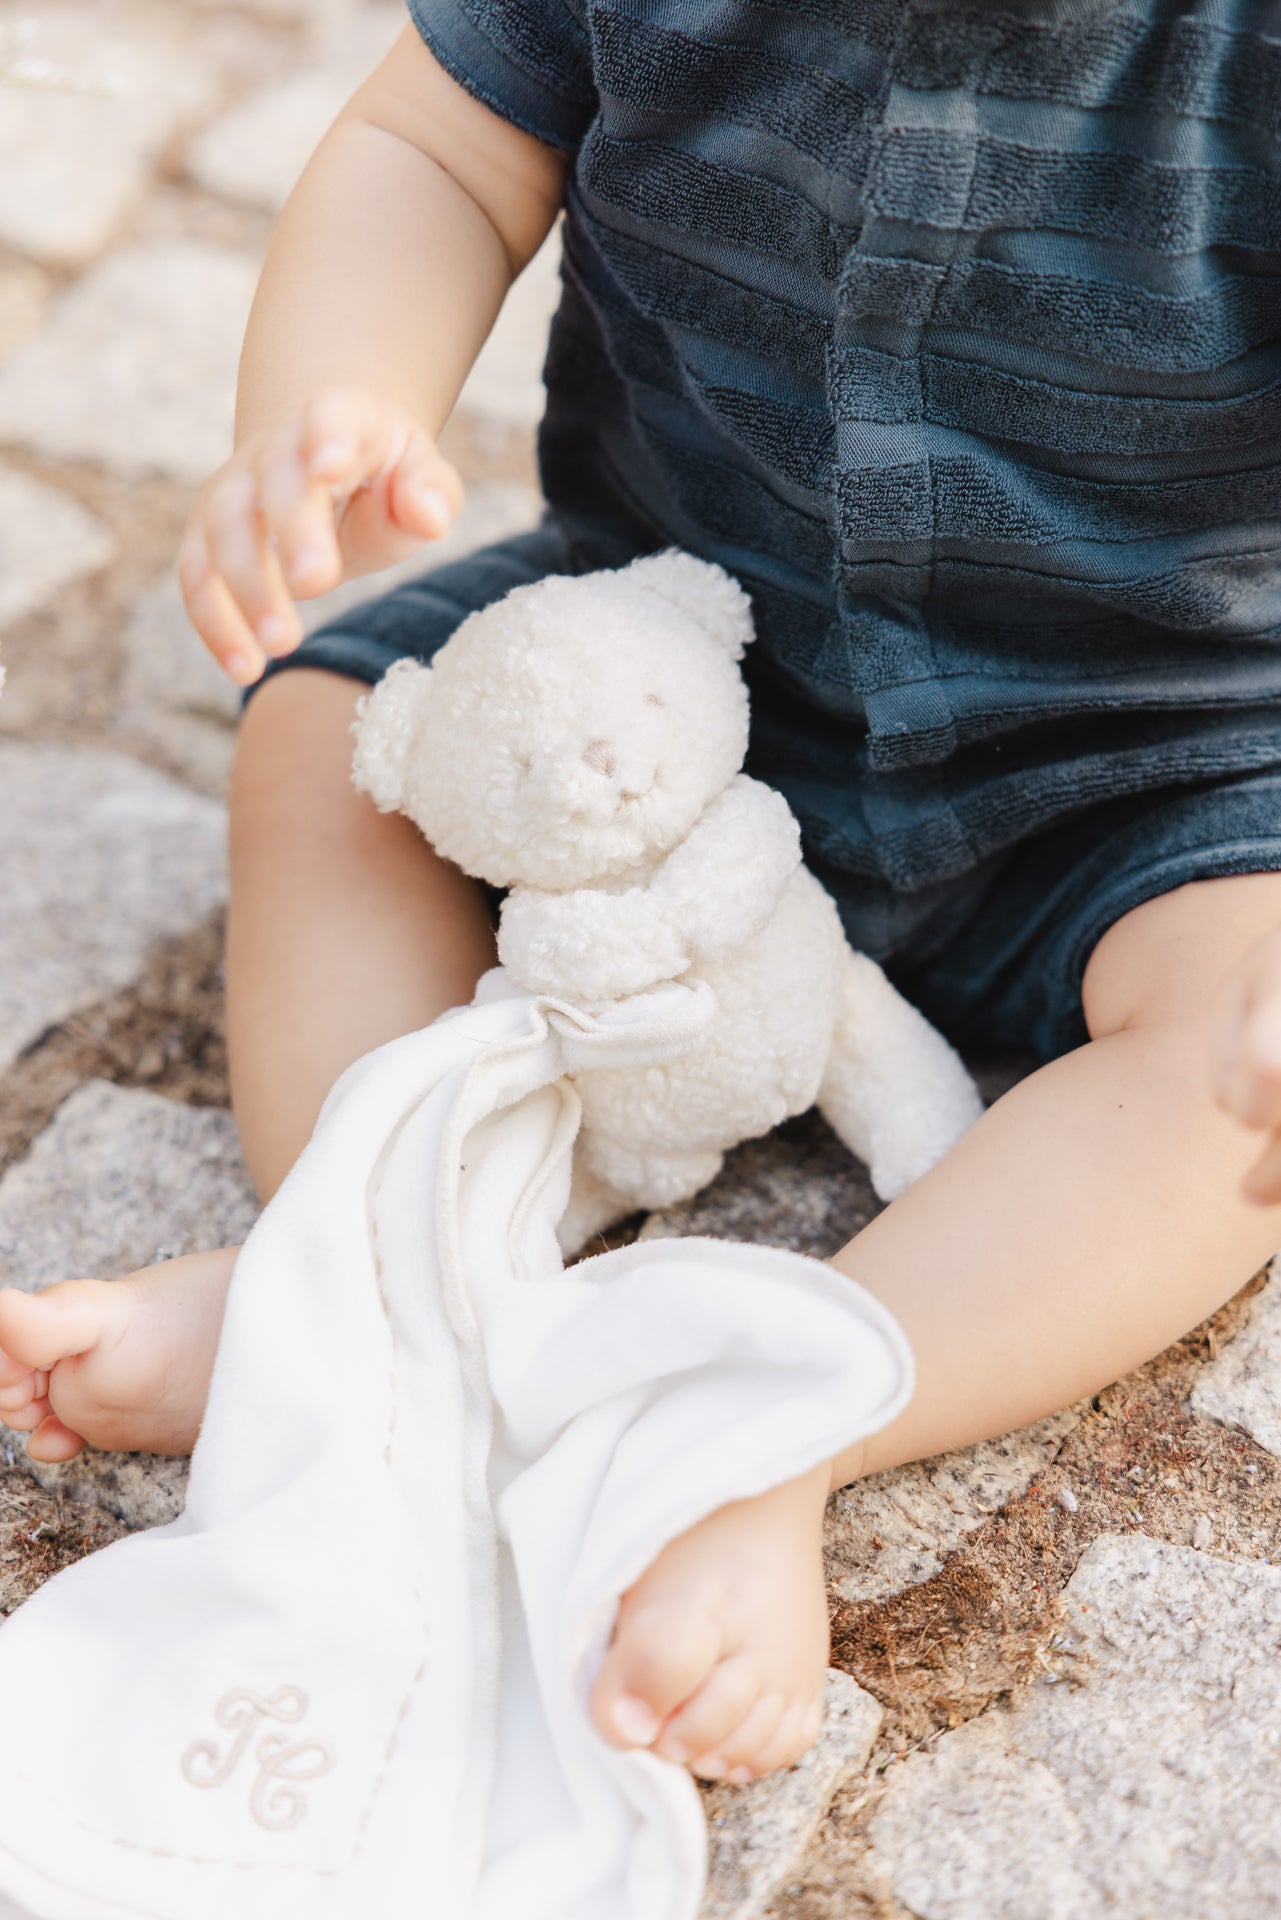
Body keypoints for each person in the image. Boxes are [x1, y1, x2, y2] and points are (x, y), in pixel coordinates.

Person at [3, 0, 1281, 1790]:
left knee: (1236, 1074)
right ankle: (357, 1283)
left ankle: (764, 1444)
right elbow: (436, 151)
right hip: (666, 655)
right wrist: (333, 399)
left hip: (1147, 761)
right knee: (325, 745)